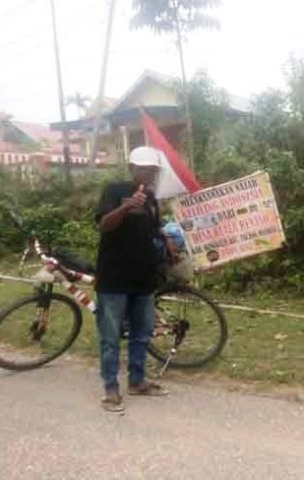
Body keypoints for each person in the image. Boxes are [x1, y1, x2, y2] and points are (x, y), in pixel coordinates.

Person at [95, 146, 169, 412]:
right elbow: (103, 225)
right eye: (145, 169)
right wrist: (125, 208)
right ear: (132, 168)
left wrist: (167, 239)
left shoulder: (151, 197)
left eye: (153, 170)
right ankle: (111, 389)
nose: (149, 174)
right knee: (110, 337)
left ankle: (137, 381)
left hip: (143, 278)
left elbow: (152, 230)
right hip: (114, 278)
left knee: (141, 334)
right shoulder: (114, 190)